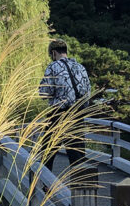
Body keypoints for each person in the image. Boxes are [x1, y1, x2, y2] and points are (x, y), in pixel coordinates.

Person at [39, 39, 91, 173]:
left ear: (54, 52)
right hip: (78, 114)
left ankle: (45, 187)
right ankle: (82, 186)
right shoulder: (80, 67)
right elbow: (88, 92)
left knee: (48, 151)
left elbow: (44, 93)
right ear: (66, 51)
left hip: (59, 113)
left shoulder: (53, 67)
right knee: (77, 152)